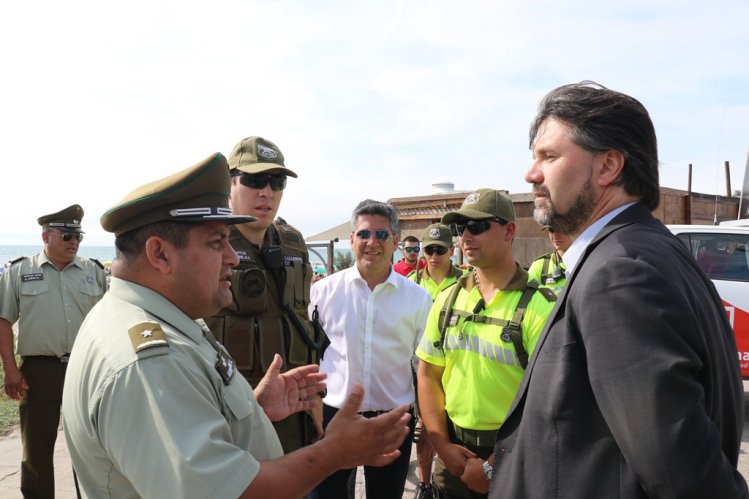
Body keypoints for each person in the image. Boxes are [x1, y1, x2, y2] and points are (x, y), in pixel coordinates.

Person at [61, 153, 412, 498]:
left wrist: (252, 410)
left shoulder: (153, 319)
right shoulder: (148, 363)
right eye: (217, 242)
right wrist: (335, 454)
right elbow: (234, 492)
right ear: (160, 254)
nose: (232, 257)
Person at [489, 82, 748, 498]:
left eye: (549, 156)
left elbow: (686, 476)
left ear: (608, 166)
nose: (530, 173)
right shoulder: (645, 250)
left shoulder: (620, 272)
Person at [416, 189, 556, 499]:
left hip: (515, 458)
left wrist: (493, 467)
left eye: (477, 226)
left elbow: (548, 404)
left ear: (509, 230)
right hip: (453, 457)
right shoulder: (448, 299)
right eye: (460, 228)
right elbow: (428, 374)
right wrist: (442, 445)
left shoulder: (539, 307)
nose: (465, 236)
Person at [204, 136, 324, 454]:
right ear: (229, 184)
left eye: (276, 181)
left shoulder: (293, 243)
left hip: (296, 415)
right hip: (234, 420)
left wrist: (314, 398)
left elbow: (301, 323)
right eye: (255, 180)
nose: (266, 192)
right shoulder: (206, 244)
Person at [309, 199, 433, 499]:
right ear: (352, 240)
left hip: (392, 422)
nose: (372, 242)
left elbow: (426, 366)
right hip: (331, 419)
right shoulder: (322, 292)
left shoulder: (418, 299)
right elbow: (309, 354)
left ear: (395, 242)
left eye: (381, 234)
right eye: (364, 234)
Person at [0, 204, 107, 499]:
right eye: (67, 236)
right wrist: (11, 370)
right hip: (40, 371)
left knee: (91, 446)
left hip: (86, 369)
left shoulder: (93, 272)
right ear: (46, 236)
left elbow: (110, 320)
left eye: (78, 237)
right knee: (36, 447)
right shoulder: (20, 271)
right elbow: (3, 321)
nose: (74, 242)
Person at [408, 222, 465, 499]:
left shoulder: (466, 281)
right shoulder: (412, 284)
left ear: (451, 250)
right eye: (428, 249)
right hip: (423, 366)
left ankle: (451, 477)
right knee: (425, 427)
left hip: (457, 364)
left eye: (439, 250)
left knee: (451, 425)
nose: (433, 255)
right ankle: (425, 483)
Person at [526, 225, 571, 292]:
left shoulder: (587, 262)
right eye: (551, 230)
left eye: (561, 230)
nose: (555, 235)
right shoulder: (540, 265)